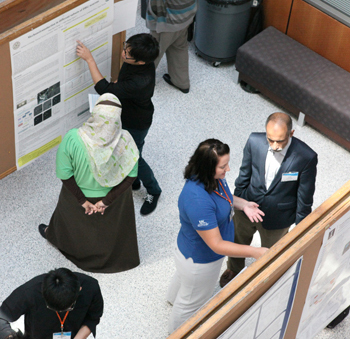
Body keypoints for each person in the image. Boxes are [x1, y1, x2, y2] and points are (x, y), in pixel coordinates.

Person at [167, 139, 268, 333]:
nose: (228, 169)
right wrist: (255, 252)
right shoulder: (197, 200)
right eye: (223, 166)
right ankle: (176, 333)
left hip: (187, 252)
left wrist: (243, 204)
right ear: (207, 167)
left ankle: (172, 299)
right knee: (190, 304)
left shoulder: (211, 179)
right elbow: (217, 245)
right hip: (200, 262)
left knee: (184, 285)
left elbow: (225, 198)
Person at [39, 93, 140, 273]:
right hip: (114, 197)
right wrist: (105, 202)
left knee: (71, 223)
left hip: (78, 194)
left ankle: (55, 238)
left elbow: (64, 174)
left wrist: (83, 201)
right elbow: (131, 176)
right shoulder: (126, 140)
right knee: (111, 229)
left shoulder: (73, 138)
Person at [220, 112, 318, 287]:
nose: (274, 145)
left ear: (291, 133)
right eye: (270, 139)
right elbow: (244, 175)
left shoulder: (306, 157)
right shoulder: (254, 141)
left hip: (279, 217)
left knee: (272, 254)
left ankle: (262, 279)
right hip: (247, 206)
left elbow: (305, 196)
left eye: (280, 141)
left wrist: (302, 228)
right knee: (238, 239)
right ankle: (234, 269)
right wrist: (237, 204)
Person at [76, 33, 162, 215]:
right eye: (125, 48)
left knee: (134, 159)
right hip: (130, 114)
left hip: (135, 122)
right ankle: (135, 181)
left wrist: (89, 59)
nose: (123, 54)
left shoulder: (139, 81)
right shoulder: (143, 58)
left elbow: (104, 89)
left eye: (128, 54)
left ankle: (154, 190)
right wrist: (120, 85)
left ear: (140, 62)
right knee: (134, 151)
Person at [0, 268, 103, 339]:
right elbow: (1, 317)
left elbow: (93, 318)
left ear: (79, 290)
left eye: (68, 308)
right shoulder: (30, 291)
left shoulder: (91, 288)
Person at [146, 0, 197, 93]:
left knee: (153, 51)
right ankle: (181, 82)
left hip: (166, 21)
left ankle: (143, 85)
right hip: (186, 14)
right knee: (179, 47)